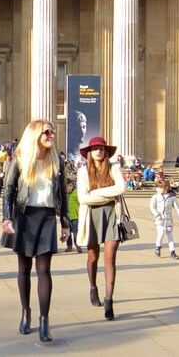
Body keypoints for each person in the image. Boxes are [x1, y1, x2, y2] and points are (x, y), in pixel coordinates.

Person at [0, 120, 70, 343]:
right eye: (46, 132)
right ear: (34, 135)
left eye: (52, 132)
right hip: (24, 216)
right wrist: (6, 218)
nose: (51, 135)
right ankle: (25, 313)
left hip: (47, 217)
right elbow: (8, 190)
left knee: (44, 270)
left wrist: (66, 224)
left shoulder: (57, 161)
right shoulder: (20, 159)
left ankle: (44, 321)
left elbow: (63, 195)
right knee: (24, 268)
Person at [75, 136, 124, 320]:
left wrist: (94, 193)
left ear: (106, 152)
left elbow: (121, 189)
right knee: (93, 257)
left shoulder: (114, 168)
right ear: (89, 152)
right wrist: (109, 194)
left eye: (101, 149)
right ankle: (93, 287)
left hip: (112, 215)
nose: (98, 151)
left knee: (110, 258)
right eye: (95, 149)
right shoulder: (82, 171)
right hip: (91, 216)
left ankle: (109, 300)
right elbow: (83, 198)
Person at [149, 178, 179, 260]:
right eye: (157, 187)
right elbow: (152, 207)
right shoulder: (155, 196)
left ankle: (172, 252)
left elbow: (177, 208)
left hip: (168, 219)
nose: (158, 189)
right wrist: (157, 214)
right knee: (161, 232)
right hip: (159, 219)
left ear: (166, 187)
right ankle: (158, 247)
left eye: (160, 187)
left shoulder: (172, 197)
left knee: (170, 236)